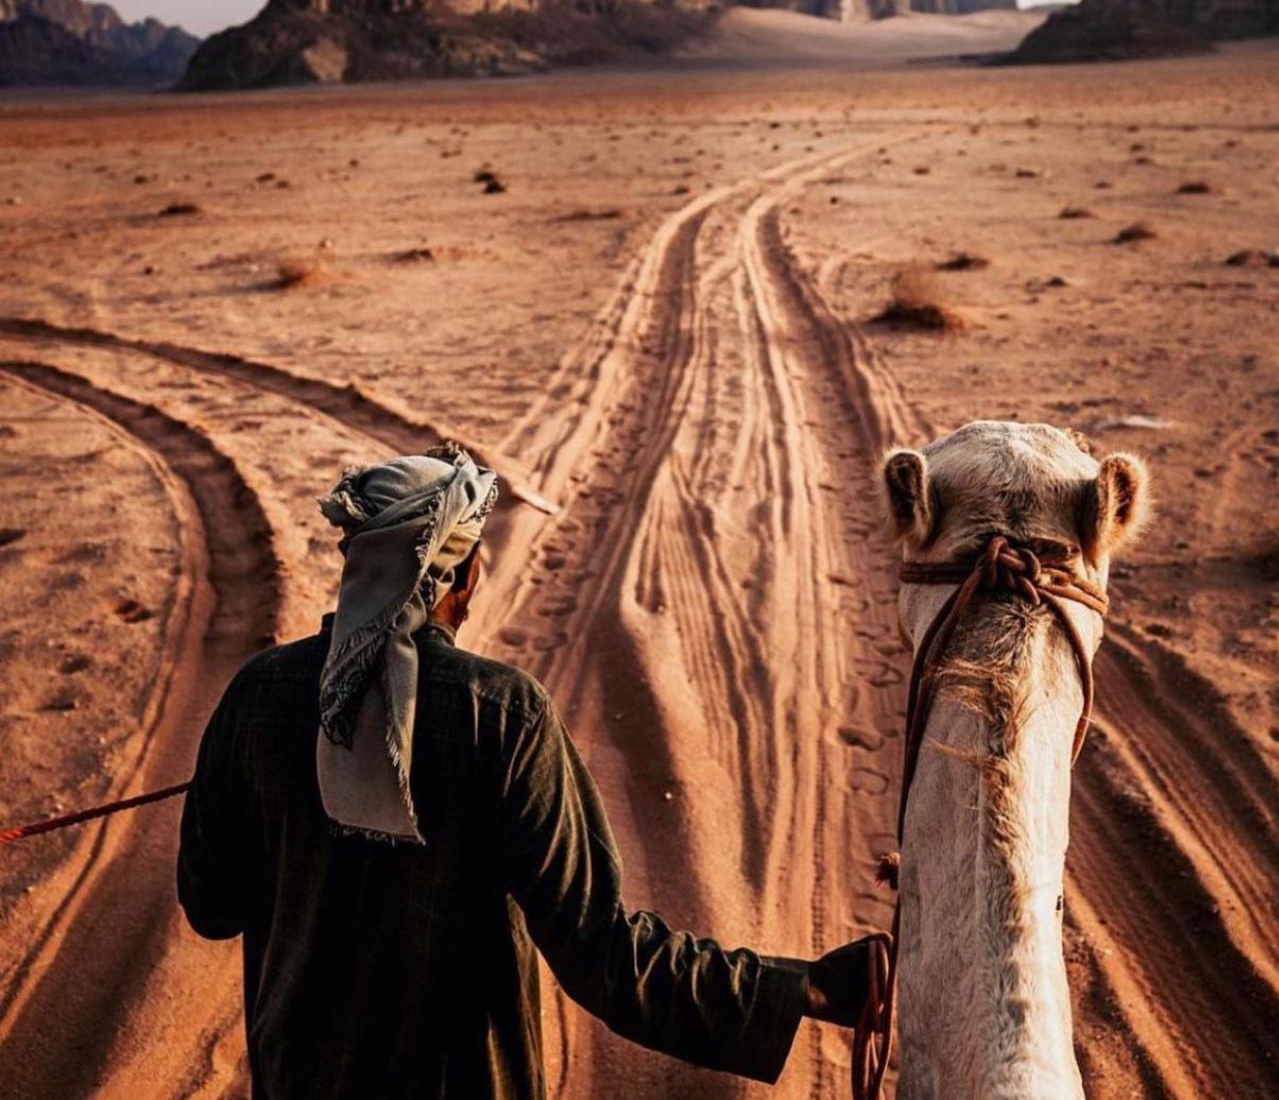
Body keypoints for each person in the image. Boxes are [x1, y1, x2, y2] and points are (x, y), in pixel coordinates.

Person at [178, 445, 880, 1099]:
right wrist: (808, 988)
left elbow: (212, 907)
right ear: (467, 572)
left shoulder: (259, 695)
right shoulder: (503, 714)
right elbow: (602, 953)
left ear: (356, 562)